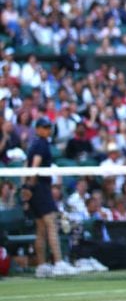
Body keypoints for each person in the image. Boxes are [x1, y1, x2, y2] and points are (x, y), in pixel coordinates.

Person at [22, 118, 78, 277]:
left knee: (40, 228)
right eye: (44, 127)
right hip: (40, 188)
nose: (48, 130)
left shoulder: (34, 144)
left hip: (35, 188)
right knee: (51, 224)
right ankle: (59, 263)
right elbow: (34, 166)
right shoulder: (41, 144)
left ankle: (41, 266)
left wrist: (26, 187)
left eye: (49, 127)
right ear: (38, 129)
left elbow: (25, 165)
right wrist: (30, 186)